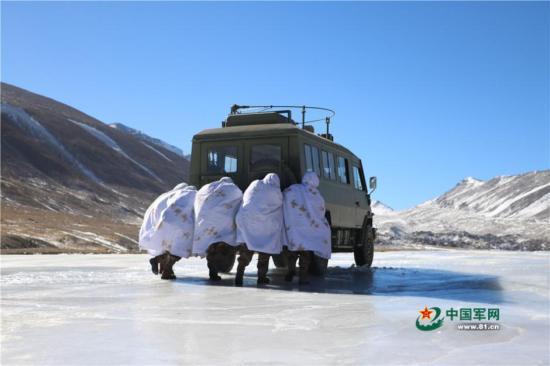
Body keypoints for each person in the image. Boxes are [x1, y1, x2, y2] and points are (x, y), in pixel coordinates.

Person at [139, 183, 197, 280]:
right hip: (178, 223)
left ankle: (160, 264)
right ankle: (165, 271)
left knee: (166, 249)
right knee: (180, 249)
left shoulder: (164, 197)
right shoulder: (189, 195)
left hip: (161, 223)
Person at [235, 173, 284, 286]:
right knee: (265, 250)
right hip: (264, 226)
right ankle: (261, 277)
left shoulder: (255, 183)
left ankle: (239, 274)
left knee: (247, 248)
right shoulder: (275, 191)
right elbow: (279, 204)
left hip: (246, 220)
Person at [282, 172, 331, 284]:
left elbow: (284, 198)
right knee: (305, 254)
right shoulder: (316, 194)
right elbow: (320, 212)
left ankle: (290, 272)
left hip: (293, 228)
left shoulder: (293, 189)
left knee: (292, 252)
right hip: (308, 230)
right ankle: (303, 277)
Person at [193, 177, 243, 281]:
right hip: (224, 226)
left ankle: (213, 272)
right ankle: (226, 268)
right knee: (224, 248)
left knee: (211, 250)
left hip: (206, 225)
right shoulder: (233, 189)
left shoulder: (207, 188)